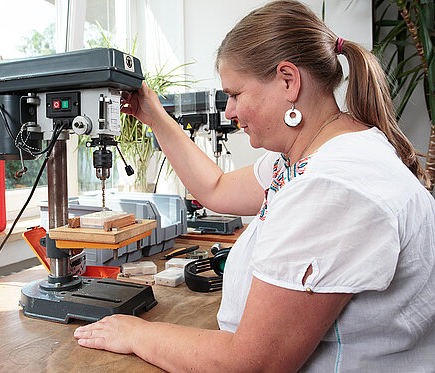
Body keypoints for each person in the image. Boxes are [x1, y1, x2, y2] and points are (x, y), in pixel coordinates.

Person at [74, 1, 435, 371]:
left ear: (288, 80)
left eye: (235, 94)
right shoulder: (307, 156)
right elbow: (215, 187)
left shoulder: (333, 185)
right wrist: (153, 115)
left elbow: (251, 365)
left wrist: (135, 333)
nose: (229, 112)